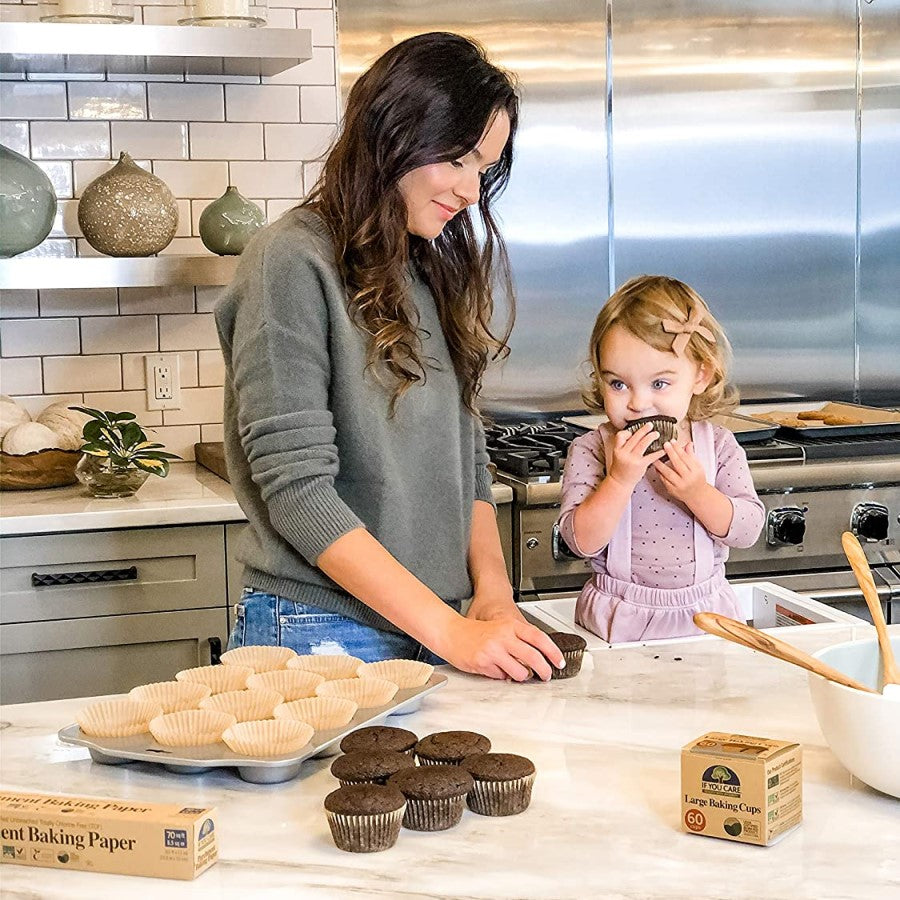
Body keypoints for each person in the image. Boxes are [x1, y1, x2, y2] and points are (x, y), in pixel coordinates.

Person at [215, 32, 564, 681]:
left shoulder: (428, 270)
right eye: (458, 159)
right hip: (320, 632)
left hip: (439, 624)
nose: (470, 189)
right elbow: (298, 493)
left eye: (483, 168)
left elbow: (469, 464)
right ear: (398, 130)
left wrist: (491, 597)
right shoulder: (289, 260)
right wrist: (453, 634)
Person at [556, 275, 765, 642]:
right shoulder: (591, 450)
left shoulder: (718, 446)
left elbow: (747, 531)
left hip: (706, 615)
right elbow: (580, 542)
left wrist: (698, 492)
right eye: (617, 384)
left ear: (700, 375)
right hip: (619, 616)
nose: (637, 403)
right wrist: (618, 481)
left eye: (659, 384)